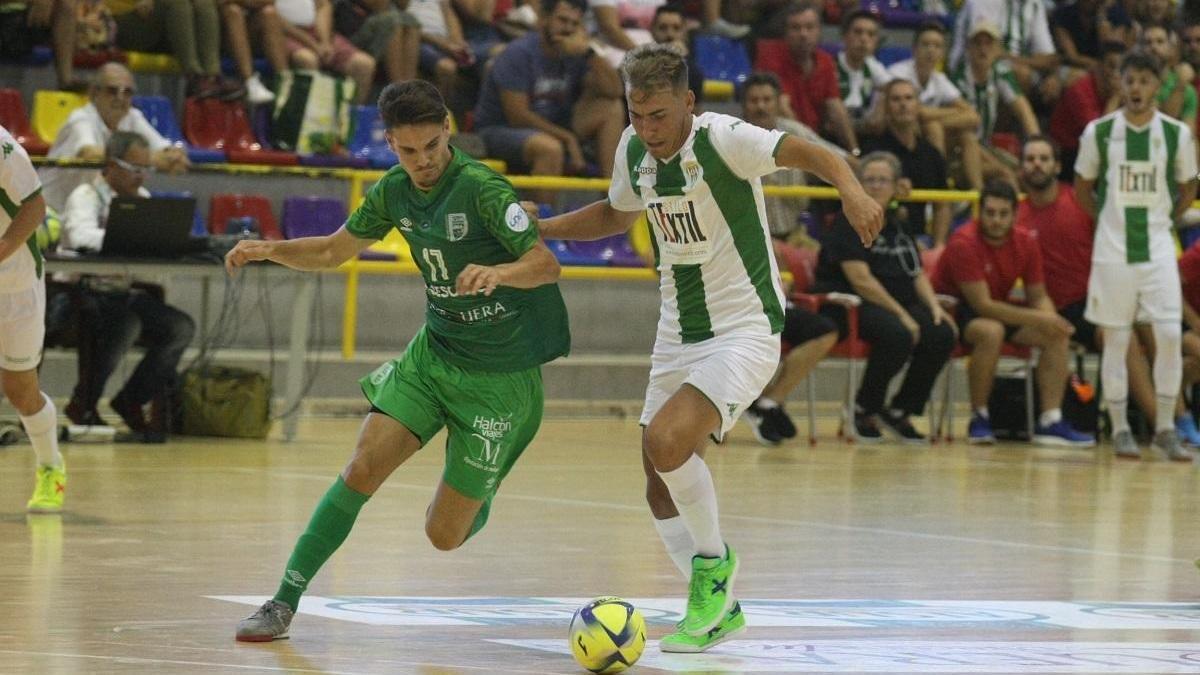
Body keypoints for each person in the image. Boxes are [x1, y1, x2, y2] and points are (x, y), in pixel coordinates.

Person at [538, 42, 882, 652]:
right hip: (678, 331)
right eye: (636, 117)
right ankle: (715, 601)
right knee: (655, 477)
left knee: (667, 442)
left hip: (746, 328)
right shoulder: (633, 149)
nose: (647, 130)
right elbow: (617, 216)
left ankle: (715, 575)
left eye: (659, 117)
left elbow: (815, 152)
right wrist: (544, 229)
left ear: (689, 103)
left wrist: (852, 191)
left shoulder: (725, 139)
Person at [229, 79, 570, 641]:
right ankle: (282, 602)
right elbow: (334, 249)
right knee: (362, 465)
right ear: (389, 142)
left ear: (449, 129)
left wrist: (500, 273)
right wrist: (271, 249)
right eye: (408, 151)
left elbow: (546, 266)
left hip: (500, 381)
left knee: (444, 535)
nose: (423, 161)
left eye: (432, 146)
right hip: (433, 355)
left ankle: (476, 490)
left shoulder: (484, 190)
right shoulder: (393, 189)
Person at [1075, 50, 1198, 461]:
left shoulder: (1177, 135)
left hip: (1159, 247)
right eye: (1130, 80)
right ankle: (1122, 428)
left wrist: (1164, 217)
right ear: (1121, 83)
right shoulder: (1099, 132)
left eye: (1145, 80)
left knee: (1167, 334)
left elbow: (1188, 188)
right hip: (1113, 251)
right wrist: (1108, 221)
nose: (1136, 88)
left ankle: (1165, 427)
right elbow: (1082, 187)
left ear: (1157, 86)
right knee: (1117, 338)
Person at [1015, 134, 1163, 442]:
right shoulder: (1016, 218)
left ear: (1057, 166)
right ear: (1021, 168)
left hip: (1094, 300)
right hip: (1049, 312)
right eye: (1030, 159)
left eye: (1044, 159)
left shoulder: (1080, 203)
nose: (1037, 165)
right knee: (1117, 336)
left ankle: (1170, 422)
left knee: (1139, 330)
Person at [932, 179, 1095, 448]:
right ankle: (979, 417)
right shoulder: (964, 242)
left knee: (1054, 335)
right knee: (991, 332)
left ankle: (1050, 420)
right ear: (979, 213)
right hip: (955, 312)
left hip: (1001, 308)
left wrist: (1053, 320)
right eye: (990, 213)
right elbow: (982, 305)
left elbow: (1039, 296)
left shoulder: (1026, 242)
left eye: (1003, 214)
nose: (996, 220)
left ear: (1015, 215)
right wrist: (1042, 318)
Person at [57, 132, 196, 434]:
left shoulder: (143, 200)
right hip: (79, 295)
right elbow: (81, 237)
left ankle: (131, 400)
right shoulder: (85, 196)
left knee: (180, 327)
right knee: (126, 323)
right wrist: (124, 238)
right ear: (110, 164)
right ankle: (85, 402)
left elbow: (149, 249)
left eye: (145, 169)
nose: (141, 176)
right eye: (134, 168)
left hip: (123, 293)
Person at [813, 151, 956, 443]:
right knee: (899, 333)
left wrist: (933, 308)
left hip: (896, 302)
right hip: (852, 303)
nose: (876, 186)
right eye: (869, 180)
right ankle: (864, 408)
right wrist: (903, 316)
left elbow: (916, 272)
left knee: (941, 332)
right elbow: (861, 280)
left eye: (883, 180)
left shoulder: (898, 225)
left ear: (895, 186)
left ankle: (901, 410)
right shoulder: (846, 222)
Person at [472, 0, 624, 202]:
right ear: (544, 19)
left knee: (611, 109)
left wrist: (590, 53)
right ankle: (545, 225)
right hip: (500, 129)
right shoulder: (518, 53)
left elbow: (614, 91)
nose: (568, 28)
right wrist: (567, 138)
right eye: (562, 20)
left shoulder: (576, 52)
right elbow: (518, 116)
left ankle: (613, 203)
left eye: (574, 23)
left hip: (554, 124)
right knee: (549, 148)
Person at [0, 124, 66, 513]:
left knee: (20, 392)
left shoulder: (2, 145)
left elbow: (35, 209)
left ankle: (50, 466)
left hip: (16, 285)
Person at [40, 63, 190, 215]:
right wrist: (149, 159)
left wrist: (175, 155)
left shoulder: (132, 116)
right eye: (112, 91)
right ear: (94, 93)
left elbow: (167, 149)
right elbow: (89, 153)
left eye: (128, 92)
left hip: (91, 211)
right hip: (49, 213)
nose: (120, 98)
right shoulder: (80, 118)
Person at [753, 1, 860, 155]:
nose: (803, 34)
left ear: (819, 31)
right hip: (780, 138)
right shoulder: (770, 56)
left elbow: (836, 108)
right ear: (785, 33)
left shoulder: (826, 61)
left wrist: (854, 149)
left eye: (809, 28)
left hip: (814, 138)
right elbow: (783, 108)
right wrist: (810, 147)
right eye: (796, 28)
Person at [861, 79, 952, 246]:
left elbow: (942, 205)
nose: (903, 104)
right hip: (878, 240)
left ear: (918, 105)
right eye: (896, 99)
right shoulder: (872, 150)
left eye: (908, 98)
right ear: (887, 107)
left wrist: (939, 246)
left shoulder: (931, 154)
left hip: (920, 240)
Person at [1049, 41, 1124, 179]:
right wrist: (1115, 98)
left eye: (1122, 68)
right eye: (1111, 66)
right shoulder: (1079, 90)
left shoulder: (1124, 89)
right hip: (1068, 154)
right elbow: (1098, 136)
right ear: (1098, 66)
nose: (1116, 73)